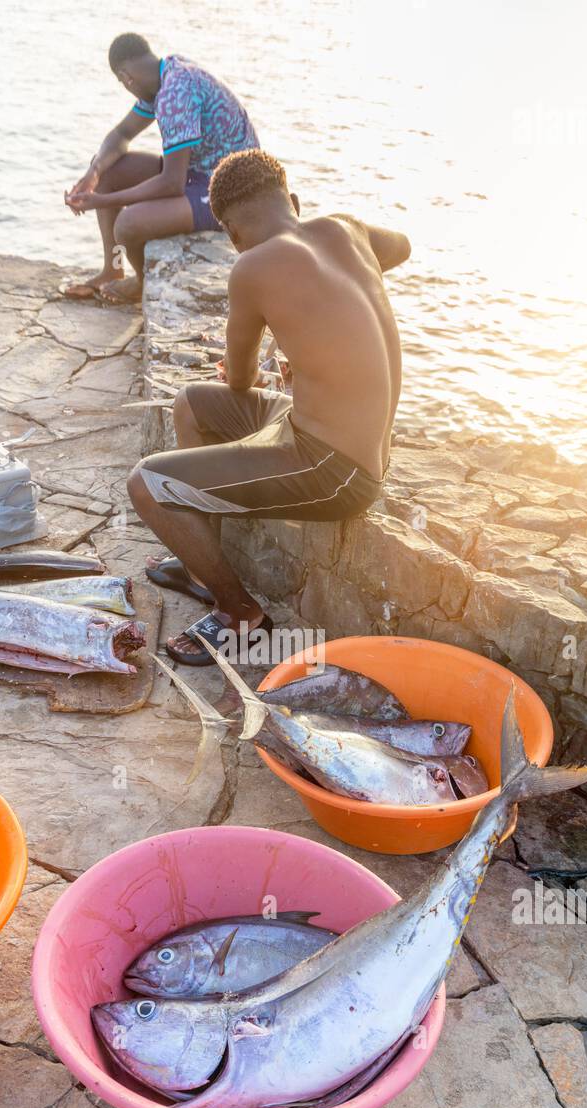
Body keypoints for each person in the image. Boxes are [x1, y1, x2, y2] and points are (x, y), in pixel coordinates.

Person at [129, 150, 411, 664]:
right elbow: (403, 246)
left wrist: (280, 339)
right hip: (318, 431)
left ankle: (241, 616)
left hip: (335, 469)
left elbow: (240, 378)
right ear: (292, 201)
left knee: (146, 484)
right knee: (191, 406)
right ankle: (197, 569)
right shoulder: (346, 228)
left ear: (232, 232)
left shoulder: (251, 267)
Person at [64, 33, 259, 304]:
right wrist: (93, 174)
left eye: (122, 83)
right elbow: (121, 134)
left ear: (125, 77)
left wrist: (101, 201)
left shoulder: (174, 94)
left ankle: (141, 284)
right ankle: (113, 268)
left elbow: (171, 183)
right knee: (108, 173)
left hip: (229, 193)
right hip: (200, 173)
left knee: (128, 224)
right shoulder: (163, 74)